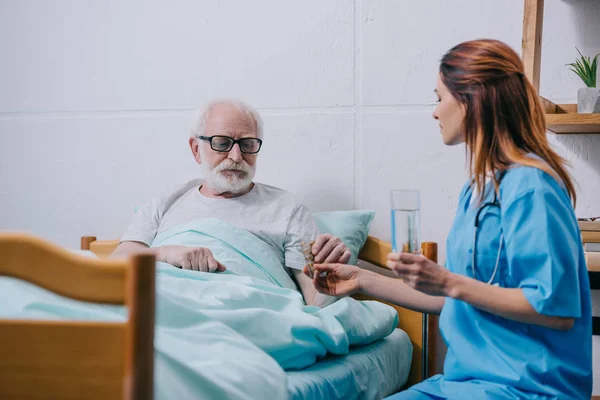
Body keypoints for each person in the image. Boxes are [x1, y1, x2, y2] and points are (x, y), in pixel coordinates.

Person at [304, 39, 592, 399]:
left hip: (528, 387)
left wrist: (448, 282)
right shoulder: (479, 189)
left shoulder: (532, 186)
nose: (435, 112)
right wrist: (361, 279)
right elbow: (454, 298)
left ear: (472, 100)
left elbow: (555, 312)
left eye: (440, 98)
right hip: (464, 384)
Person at [112, 98, 351, 307]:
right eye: (222, 143)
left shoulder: (287, 208)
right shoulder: (168, 201)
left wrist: (330, 275)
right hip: (161, 306)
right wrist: (165, 253)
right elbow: (117, 262)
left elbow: (316, 302)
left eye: (247, 144)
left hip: (250, 315)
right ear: (196, 149)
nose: (236, 157)